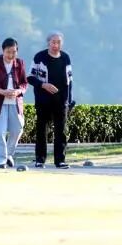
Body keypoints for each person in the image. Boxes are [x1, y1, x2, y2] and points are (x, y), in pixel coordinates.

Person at [29, 31, 74, 168]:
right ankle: (40, 159)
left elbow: (69, 81)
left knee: (61, 131)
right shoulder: (39, 57)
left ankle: (60, 160)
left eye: (58, 42)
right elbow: (30, 77)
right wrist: (43, 85)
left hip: (61, 101)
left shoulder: (65, 58)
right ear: (48, 43)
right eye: (53, 42)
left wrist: (69, 101)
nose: (56, 45)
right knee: (42, 130)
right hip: (43, 101)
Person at [0, 37, 28, 168]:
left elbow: (24, 83)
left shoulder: (20, 63)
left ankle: (8, 154)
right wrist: (1, 91)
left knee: (18, 129)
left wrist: (18, 91)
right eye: (8, 52)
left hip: (15, 102)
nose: (11, 55)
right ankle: (1, 160)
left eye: (14, 52)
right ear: (3, 51)